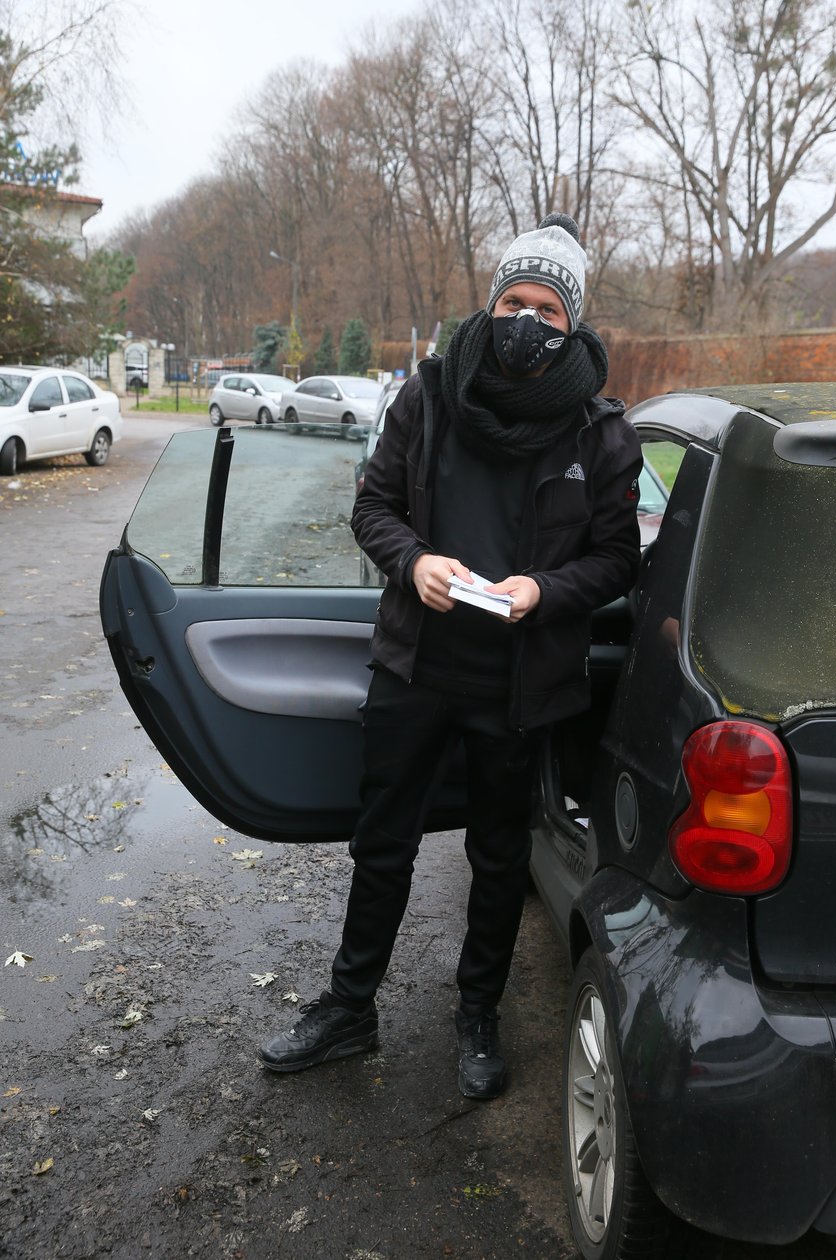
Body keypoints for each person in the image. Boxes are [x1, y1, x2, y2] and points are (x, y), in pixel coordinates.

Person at [260, 213, 642, 1098]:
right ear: (490, 299)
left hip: (518, 683)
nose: (528, 320)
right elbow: (373, 508)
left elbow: (619, 558)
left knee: (500, 859)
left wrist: (544, 592)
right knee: (382, 844)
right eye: (515, 299)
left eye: (549, 310)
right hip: (416, 666)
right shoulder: (430, 394)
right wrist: (415, 561)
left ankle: (478, 1015)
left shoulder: (597, 430)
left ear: (573, 323)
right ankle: (349, 1008)